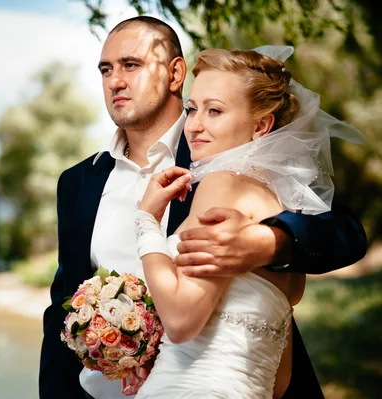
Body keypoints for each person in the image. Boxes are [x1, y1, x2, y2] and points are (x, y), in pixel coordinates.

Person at [39, 16, 367, 399]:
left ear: (176, 73)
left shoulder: (228, 156)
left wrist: (269, 242)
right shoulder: (77, 182)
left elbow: (344, 231)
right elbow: (60, 310)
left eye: (131, 65)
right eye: (105, 69)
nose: (116, 81)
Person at [133, 46, 364, 398]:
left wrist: (146, 221)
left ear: (260, 126)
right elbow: (280, 378)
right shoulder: (284, 205)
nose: (194, 125)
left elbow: (180, 322)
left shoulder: (222, 183)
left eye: (215, 111)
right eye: (192, 109)